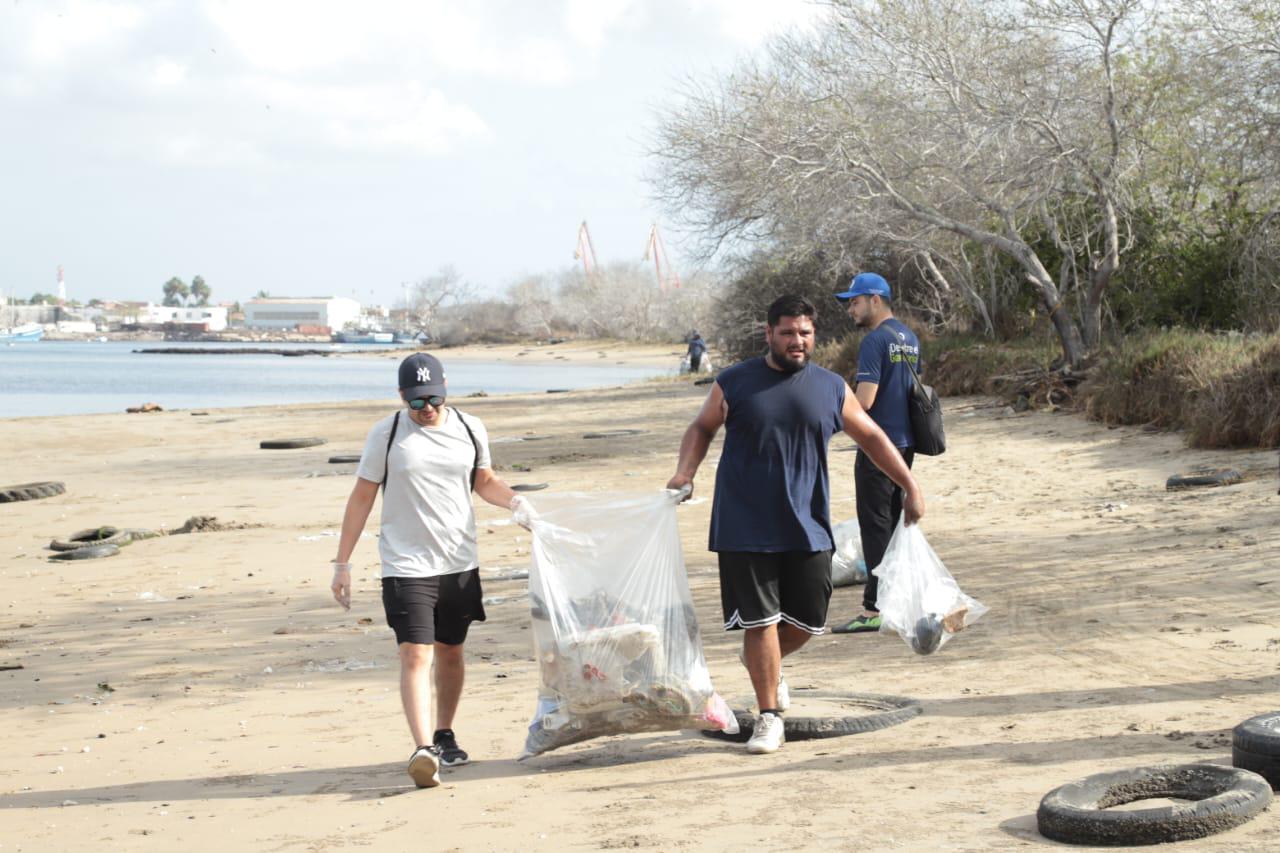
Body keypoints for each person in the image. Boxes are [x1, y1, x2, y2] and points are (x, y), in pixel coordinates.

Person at [666, 294, 923, 754]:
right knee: (761, 621)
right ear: (769, 334)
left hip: (807, 523)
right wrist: (686, 472)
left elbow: (872, 437)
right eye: (787, 332)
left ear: (814, 335)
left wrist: (909, 485)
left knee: (809, 621)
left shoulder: (830, 387)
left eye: (804, 332)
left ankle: (764, 665)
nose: (797, 341)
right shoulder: (735, 382)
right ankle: (769, 717)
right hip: (743, 522)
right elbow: (701, 427)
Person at [330, 352, 534, 789]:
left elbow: (484, 481)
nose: (427, 410)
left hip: (458, 563)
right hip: (405, 564)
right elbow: (362, 497)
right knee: (415, 653)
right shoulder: (386, 435)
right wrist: (342, 563)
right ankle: (423, 749)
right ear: (402, 395)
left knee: (451, 651)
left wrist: (516, 502)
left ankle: (444, 733)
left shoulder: (469, 427)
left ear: (446, 390)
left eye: (434, 400)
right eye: (418, 402)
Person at [830, 273, 923, 635]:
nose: (850, 308)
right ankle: (895, 599)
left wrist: (831, 413)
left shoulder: (874, 341)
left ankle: (875, 609)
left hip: (877, 445)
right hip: (905, 443)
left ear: (874, 299)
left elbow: (865, 400)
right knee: (892, 522)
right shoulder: (909, 337)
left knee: (875, 526)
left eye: (854, 301)